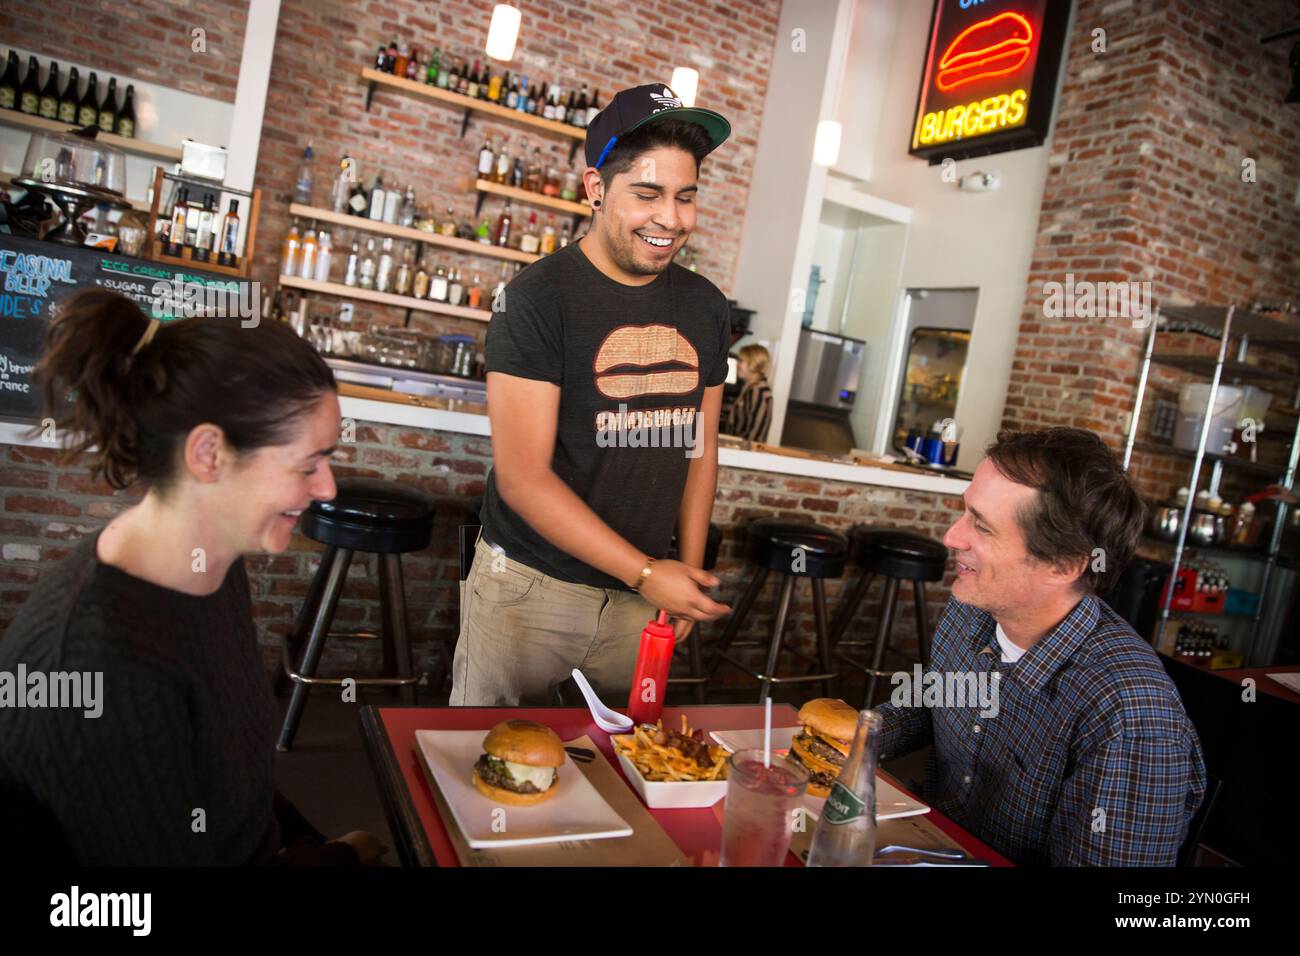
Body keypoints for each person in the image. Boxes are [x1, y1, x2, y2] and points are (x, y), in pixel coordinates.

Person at [0, 289, 386, 866]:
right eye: (309, 464)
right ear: (208, 453)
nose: (328, 488)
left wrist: (320, 847)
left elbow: (231, 782)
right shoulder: (104, 668)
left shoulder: (211, 567)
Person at [451, 84, 736, 706]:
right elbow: (524, 478)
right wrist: (648, 572)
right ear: (595, 188)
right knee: (490, 774)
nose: (672, 218)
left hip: (643, 602)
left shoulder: (707, 307)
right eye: (648, 194)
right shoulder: (536, 299)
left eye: (686, 197)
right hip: (529, 590)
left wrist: (681, 571)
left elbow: (702, 450)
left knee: (620, 783)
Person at [875, 427, 1206, 866]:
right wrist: (857, 734)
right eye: (965, 512)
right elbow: (937, 700)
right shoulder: (973, 610)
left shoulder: (1130, 715)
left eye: (982, 526)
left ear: (1063, 565)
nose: (952, 537)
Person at [723, 343, 773, 442]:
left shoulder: (759, 391)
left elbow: (754, 436)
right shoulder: (750, 387)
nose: (737, 365)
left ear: (753, 363)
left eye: (741, 361)